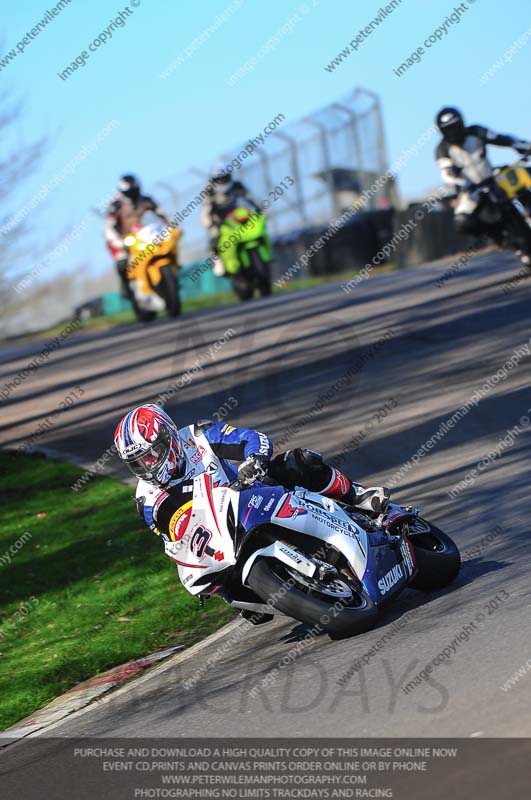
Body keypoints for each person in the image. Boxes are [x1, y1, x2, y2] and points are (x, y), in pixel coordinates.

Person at [114, 405, 390, 620]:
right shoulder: (146, 500)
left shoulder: (198, 436)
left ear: (169, 438)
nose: (147, 466)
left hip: (255, 495)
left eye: (151, 455)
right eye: (137, 463)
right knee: (242, 602)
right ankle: (244, 593)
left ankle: (357, 495)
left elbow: (251, 439)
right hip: (222, 540)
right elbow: (178, 542)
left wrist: (254, 460)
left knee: (297, 462)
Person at [435, 107, 531, 244]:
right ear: (442, 131)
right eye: (449, 129)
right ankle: (498, 236)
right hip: (470, 189)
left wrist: (522, 145)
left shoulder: (476, 131)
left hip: (494, 179)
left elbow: (500, 138)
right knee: (462, 222)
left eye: (455, 126)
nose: (453, 132)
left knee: (523, 177)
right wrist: (461, 183)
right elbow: (446, 174)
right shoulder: (442, 149)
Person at [104, 175, 171, 296]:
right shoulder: (116, 206)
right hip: (125, 239)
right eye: (130, 192)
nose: (133, 195)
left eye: (134, 191)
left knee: (167, 245)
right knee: (122, 261)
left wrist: (170, 226)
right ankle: (126, 286)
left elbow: (162, 213)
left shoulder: (147, 200)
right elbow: (108, 228)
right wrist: (118, 242)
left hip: (147, 235)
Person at [200, 162, 261, 255]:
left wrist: (260, 210)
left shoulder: (237, 186)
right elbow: (205, 211)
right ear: (214, 180)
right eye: (219, 179)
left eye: (224, 178)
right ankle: (220, 266)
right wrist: (209, 224)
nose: (222, 181)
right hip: (220, 223)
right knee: (215, 240)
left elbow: (252, 198)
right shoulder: (209, 192)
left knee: (258, 224)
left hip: (238, 218)